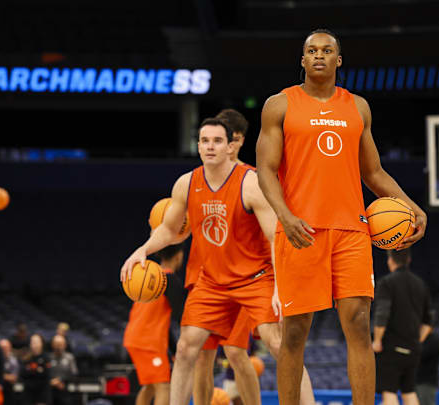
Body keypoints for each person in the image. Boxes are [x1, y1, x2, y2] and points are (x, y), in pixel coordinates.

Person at [255, 28, 427, 405]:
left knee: (359, 326)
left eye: (327, 50)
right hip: (301, 230)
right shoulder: (279, 105)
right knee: (295, 332)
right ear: (302, 60)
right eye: (312, 50)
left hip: (351, 230)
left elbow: (374, 172)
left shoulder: (357, 107)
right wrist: (284, 216)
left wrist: (410, 204)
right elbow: (264, 169)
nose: (319, 55)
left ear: (338, 60)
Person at [120, 117, 315, 405]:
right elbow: (171, 230)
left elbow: (277, 238)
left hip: (256, 277)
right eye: (205, 141)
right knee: (187, 347)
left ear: (230, 146)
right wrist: (143, 250)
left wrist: (280, 287)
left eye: (218, 141)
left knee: (277, 343)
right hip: (211, 282)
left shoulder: (251, 184)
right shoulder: (186, 184)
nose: (211, 146)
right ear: (198, 146)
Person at [192, 108, 263, 405]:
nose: (220, 146)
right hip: (205, 276)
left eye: (226, 140)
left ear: (237, 142)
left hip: (243, 277)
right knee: (200, 353)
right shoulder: (195, 181)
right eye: (210, 140)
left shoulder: (252, 180)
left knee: (235, 350)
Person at [123, 243, 185, 405]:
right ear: (179, 256)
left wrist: (173, 349)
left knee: (150, 387)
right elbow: (182, 316)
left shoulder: (151, 275)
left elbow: (163, 322)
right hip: (148, 341)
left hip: (136, 338)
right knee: (164, 387)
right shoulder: (169, 279)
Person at [372, 249, 432, 405]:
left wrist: (377, 340)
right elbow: (428, 322)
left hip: (391, 347)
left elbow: (382, 313)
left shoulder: (387, 283)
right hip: (413, 348)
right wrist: (417, 340)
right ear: (409, 260)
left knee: (389, 391)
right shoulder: (420, 284)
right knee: (409, 391)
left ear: (390, 260)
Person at [49, 335, 78, 405]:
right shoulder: (48, 357)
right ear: (52, 345)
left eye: (60, 344)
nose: (58, 347)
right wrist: (52, 381)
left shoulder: (70, 358)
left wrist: (61, 381)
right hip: (50, 392)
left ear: (65, 345)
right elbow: (45, 373)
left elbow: (74, 373)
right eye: (56, 344)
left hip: (65, 390)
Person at [22, 334, 51, 405]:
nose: (34, 344)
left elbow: (46, 373)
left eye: (37, 342)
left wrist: (32, 371)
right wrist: (38, 370)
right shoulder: (26, 358)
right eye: (33, 342)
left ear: (42, 343)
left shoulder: (46, 358)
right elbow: (23, 374)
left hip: (42, 393)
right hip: (28, 393)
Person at [416, 331, 439, 405]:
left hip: (426, 382)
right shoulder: (416, 338)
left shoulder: (434, 339)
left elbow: (421, 355)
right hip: (415, 381)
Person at [0, 339, 19, 405]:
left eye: (5, 347)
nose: (3, 349)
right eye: (1, 348)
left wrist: (0, 375)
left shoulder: (13, 361)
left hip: (8, 392)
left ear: (9, 348)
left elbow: (13, 378)